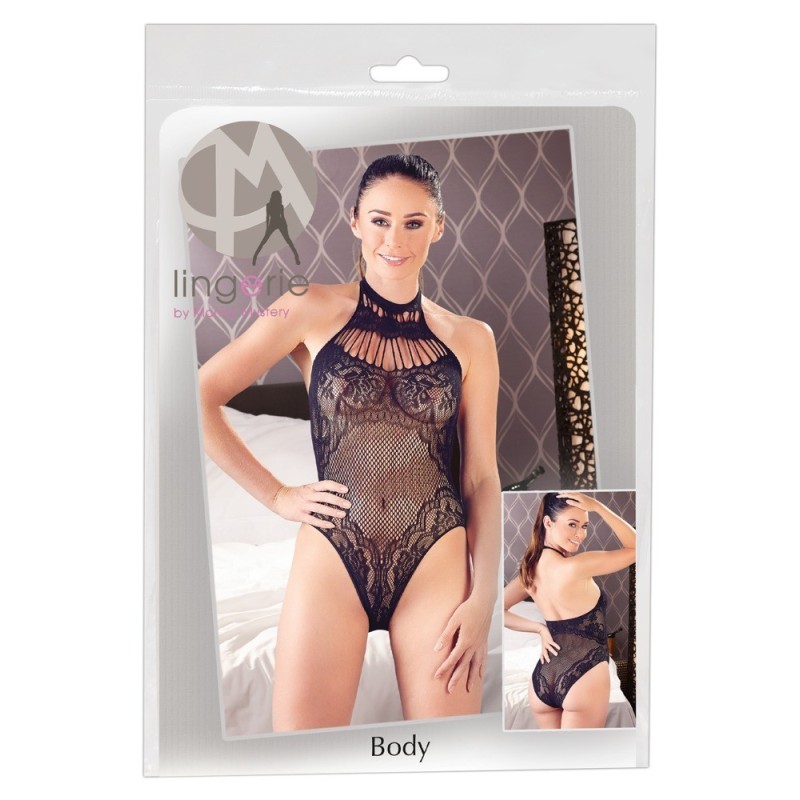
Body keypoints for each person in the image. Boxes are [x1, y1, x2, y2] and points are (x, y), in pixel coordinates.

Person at [199, 153, 501, 731]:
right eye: (380, 220)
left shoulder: (472, 338)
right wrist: (277, 496)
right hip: (334, 550)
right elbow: (199, 395)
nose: (395, 239)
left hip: (435, 556)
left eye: (414, 222)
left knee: (445, 762)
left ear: (438, 227)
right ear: (356, 221)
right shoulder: (305, 305)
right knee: (303, 761)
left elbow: (482, 476)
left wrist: (483, 596)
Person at [503, 491, 636, 729]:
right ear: (548, 522)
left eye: (584, 526)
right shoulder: (577, 566)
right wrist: (598, 507)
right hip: (585, 676)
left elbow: (496, 611)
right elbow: (638, 546)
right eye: (572, 524)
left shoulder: (528, 572)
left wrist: (539, 629)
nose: (580, 534)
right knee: (579, 754)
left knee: (554, 754)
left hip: (543, 678)